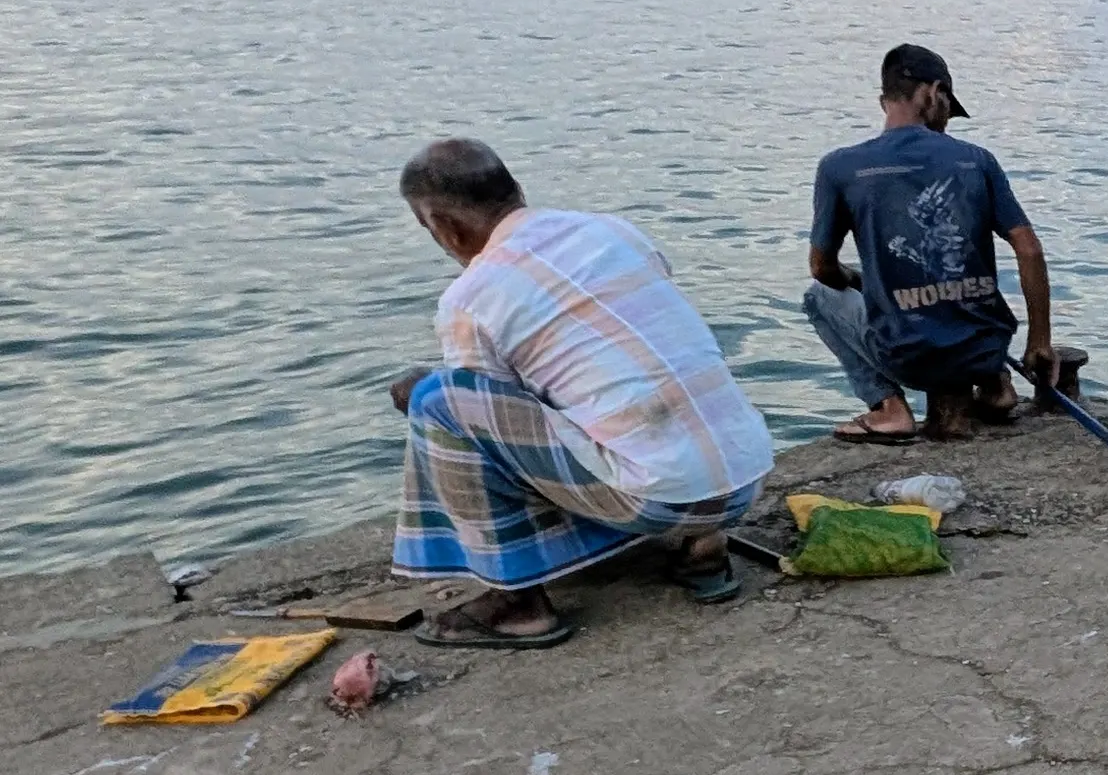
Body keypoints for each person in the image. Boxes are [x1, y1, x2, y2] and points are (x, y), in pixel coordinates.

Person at [389, 139, 775, 647]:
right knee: (638, 376)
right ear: (517, 191)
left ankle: (517, 603)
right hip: (745, 476)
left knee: (438, 398)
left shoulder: (470, 298)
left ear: (443, 226)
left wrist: (419, 390)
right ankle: (703, 549)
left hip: (661, 498)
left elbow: (491, 418)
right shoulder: (611, 230)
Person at [804, 43, 1056, 445]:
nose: (947, 122)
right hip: (984, 349)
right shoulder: (977, 160)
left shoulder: (839, 166)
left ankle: (888, 407)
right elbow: (1029, 249)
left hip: (911, 360)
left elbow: (822, 269)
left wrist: (861, 279)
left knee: (818, 296)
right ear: (932, 92)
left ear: (883, 100)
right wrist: (1039, 342)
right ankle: (994, 382)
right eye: (948, 108)